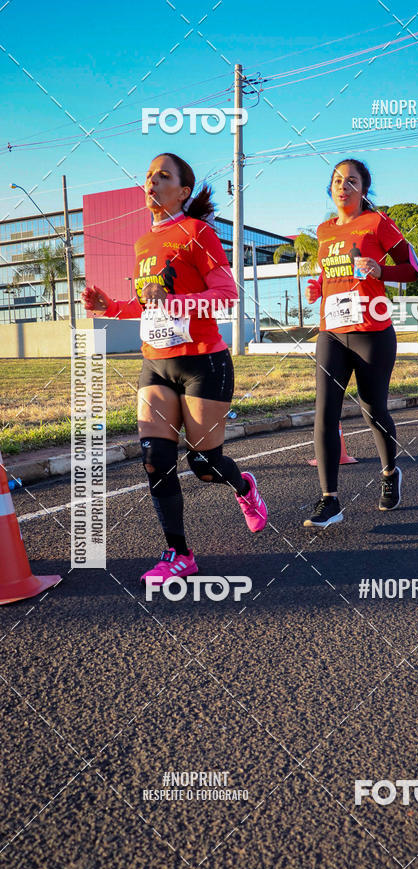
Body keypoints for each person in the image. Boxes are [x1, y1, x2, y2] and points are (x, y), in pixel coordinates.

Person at [82, 153, 267, 583]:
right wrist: (110, 305)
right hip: (156, 364)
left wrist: (176, 301)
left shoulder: (198, 232)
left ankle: (244, 487)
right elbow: (151, 307)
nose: (152, 181)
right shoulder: (143, 243)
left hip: (204, 361)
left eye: (163, 176)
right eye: (148, 175)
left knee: (203, 464)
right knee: (154, 457)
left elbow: (225, 294)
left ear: (183, 191)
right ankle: (179, 553)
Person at [303, 158, 418, 527]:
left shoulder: (378, 223)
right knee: (325, 413)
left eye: (351, 181)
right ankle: (330, 501)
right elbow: (328, 274)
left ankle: (390, 473)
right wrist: (317, 286)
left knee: (374, 410)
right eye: (337, 180)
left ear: (363, 190)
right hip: (332, 332)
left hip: (373, 332)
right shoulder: (324, 231)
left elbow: (414, 270)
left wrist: (380, 269)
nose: (343, 186)